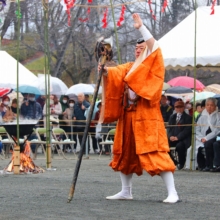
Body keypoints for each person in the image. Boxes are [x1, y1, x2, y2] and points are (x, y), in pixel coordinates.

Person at [98, 13, 179, 203]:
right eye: (136, 47)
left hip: (146, 117)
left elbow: (155, 48)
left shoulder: (152, 67)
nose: (138, 50)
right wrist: (104, 70)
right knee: (124, 153)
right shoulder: (128, 67)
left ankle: (172, 192)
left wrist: (142, 27)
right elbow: (114, 73)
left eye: (141, 47)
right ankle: (126, 190)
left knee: (155, 152)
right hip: (127, 116)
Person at [167, 100, 192, 170]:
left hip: (182, 139)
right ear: (174, 108)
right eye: (177, 107)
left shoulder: (188, 118)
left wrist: (178, 137)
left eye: (180, 107)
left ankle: (181, 163)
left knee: (180, 146)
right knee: (164, 146)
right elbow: (169, 128)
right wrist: (170, 136)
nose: (179, 109)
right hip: (173, 138)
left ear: (183, 108)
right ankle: (173, 162)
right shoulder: (172, 117)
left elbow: (187, 130)